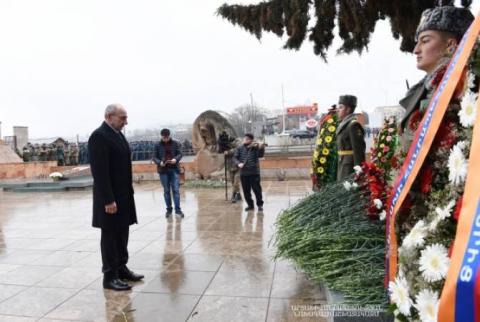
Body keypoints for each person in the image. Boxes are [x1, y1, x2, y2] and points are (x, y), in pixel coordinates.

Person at [88, 104, 143, 291]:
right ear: (109, 116)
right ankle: (110, 276)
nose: (126, 122)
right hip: (110, 199)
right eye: (122, 118)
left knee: (122, 234)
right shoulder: (99, 136)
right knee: (110, 237)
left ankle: (121, 268)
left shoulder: (118, 134)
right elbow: (100, 172)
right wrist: (108, 200)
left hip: (123, 196)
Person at [153, 128, 184, 218]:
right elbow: (154, 157)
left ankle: (178, 210)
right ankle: (169, 210)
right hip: (163, 170)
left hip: (174, 169)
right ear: (161, 136)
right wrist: (160, 162)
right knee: (166, 191)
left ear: (169, 136)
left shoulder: (175, 143)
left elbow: (180, 154)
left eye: (167, 137)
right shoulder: (157, 145)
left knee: (176, 190)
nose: (165, 139)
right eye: (164, 137)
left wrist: (175, 159)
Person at [335, 95, 366, 182]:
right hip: (342, 164)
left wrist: (359, 172)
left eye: (341, 107)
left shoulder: (353, 125)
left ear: (348, 109)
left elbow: (359, 151)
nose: (338, 110)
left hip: (349, 167)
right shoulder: (344, 124)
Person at [233, 133, 265, 212]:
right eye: (244, 139)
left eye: (247, 139)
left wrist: (261, 147)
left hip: (254, 173)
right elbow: (235, 158)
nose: (245, 140)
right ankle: (250, 205)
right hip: (244, 173)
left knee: (257, 190)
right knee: (246, 191)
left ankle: (260, 205)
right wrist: (238, 163)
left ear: (251, 140)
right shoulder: (239, 148)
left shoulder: (255, 147)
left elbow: (260, 155)